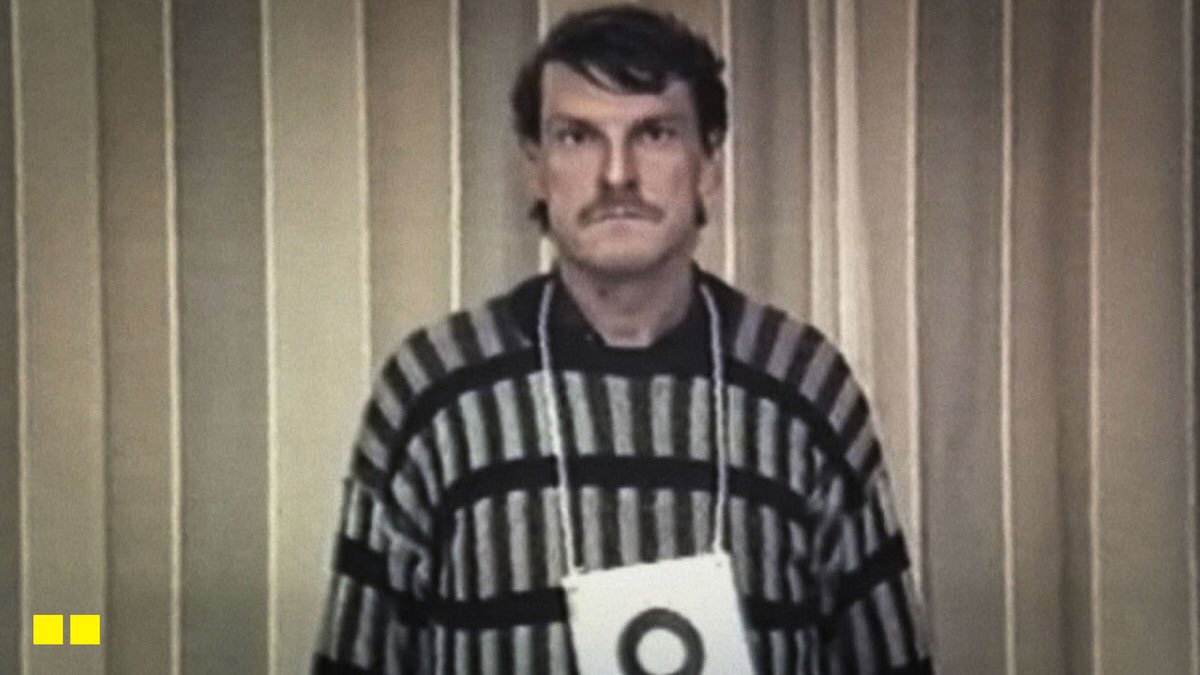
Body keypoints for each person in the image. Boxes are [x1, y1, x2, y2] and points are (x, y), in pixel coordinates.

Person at [312, 5, 932, 674]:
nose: (616, 174)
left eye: (655, 133)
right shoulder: (433, 392)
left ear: (708, 164)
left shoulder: (805, 385)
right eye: (577, 136)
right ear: (535, 167)